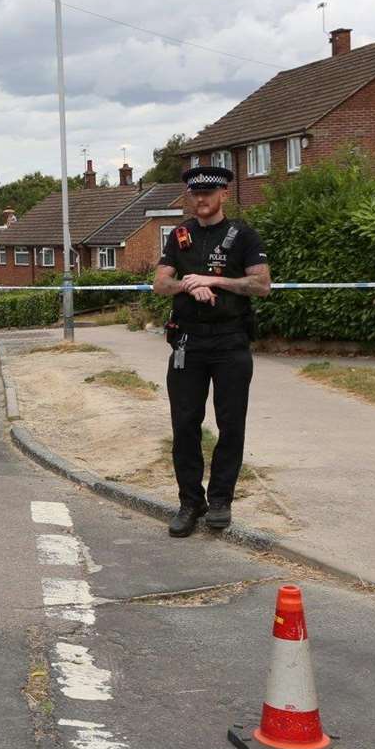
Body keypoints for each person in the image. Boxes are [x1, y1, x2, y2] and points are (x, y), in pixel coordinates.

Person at [152, 166, 271, 537]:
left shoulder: (243, 236)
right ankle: (190, 502)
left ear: (223, 195)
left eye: (208, 193)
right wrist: (188, 286)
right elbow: (160, 283)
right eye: (195, 193)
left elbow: (262, 284)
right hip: (188, 342)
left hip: (230, 340)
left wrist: (214, 280)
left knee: (230, 423)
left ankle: (221, 500)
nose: (201, 199)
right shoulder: (180, 235)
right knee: (185, 425)